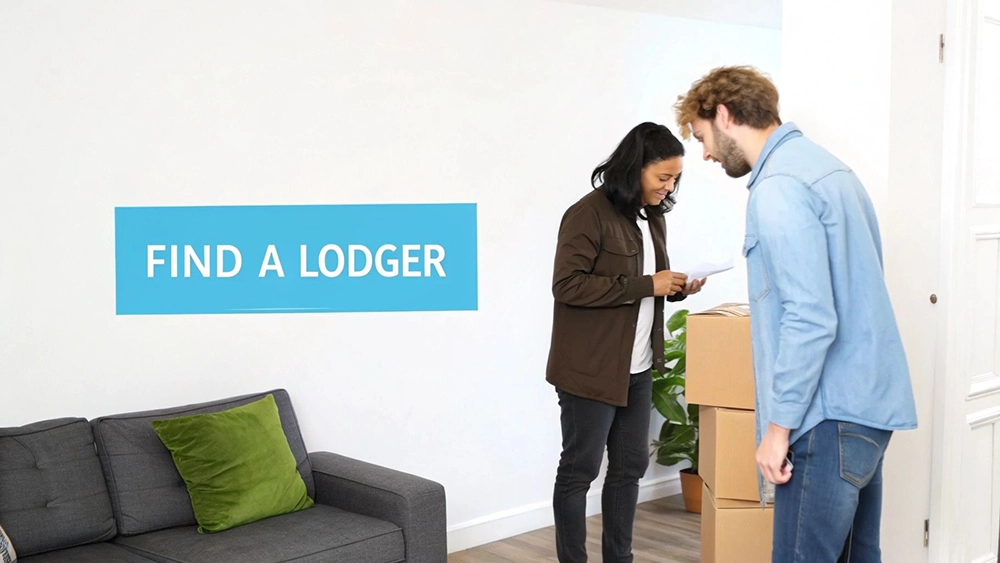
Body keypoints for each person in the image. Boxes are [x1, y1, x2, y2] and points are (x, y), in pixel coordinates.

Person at [674, 66, 918, 562]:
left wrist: (778, 429)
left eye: (702, 137)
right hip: (868, 412)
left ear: (724, 114)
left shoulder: (779, 186)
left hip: (826, 419)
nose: (705, 152)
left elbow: (811, 317)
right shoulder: (832, 171)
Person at [546, 122, 705, 563]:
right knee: (580, 471)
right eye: (662, 177)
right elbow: (568, 286)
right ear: (635, 169)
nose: (669, 186)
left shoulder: (652, 218)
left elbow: (646, 285)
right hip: (589, 369)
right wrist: (645, 285)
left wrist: (675, 288)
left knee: (628, 470)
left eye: (675, 179)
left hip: (637, 368)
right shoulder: (588, 213)